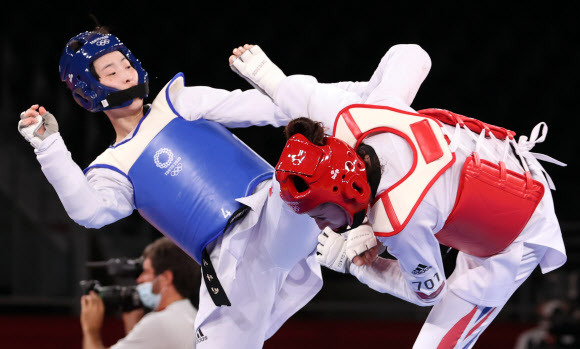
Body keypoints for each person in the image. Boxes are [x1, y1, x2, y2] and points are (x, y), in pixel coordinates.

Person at [17, 28, 390, 348]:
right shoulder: (112, 169)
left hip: (274, 209)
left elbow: (267, 108)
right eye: (112, 71)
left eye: (127, 64)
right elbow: (88, 212)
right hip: (230, 267)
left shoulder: (179, 102)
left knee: (308, 164)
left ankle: (370, 225)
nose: (127, 75)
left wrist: (359, 94)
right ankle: (345, 245)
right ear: (89, 90)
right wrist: (49, 147)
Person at [229, 44, 567, 348]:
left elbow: (429, 292)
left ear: (349, 194)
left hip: (515, 232)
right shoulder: (353, 115)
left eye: (318, 213)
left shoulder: (399, 219)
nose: (318, 225)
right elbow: (414, 54)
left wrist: (360, 266)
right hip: (501, 161)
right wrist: (268, 75)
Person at [81, 237, 200, 349]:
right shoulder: (193, 316)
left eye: (146, 272)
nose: (139, 280)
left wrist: (90, 330)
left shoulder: (159, 323)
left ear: (166, 278)